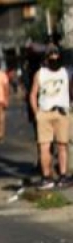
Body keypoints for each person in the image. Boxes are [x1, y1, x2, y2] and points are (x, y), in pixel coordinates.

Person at [29, 46, 71, 189]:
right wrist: (37, 113)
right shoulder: (40, 74)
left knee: (62, 144)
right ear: (46, 59)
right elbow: (33, 94)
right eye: (51, 55)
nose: (54, 57)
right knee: (44, 146)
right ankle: (46, 176)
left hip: (61, 112)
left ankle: (63, 175)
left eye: (56, 54)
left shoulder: (65, 72)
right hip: (45, 113)